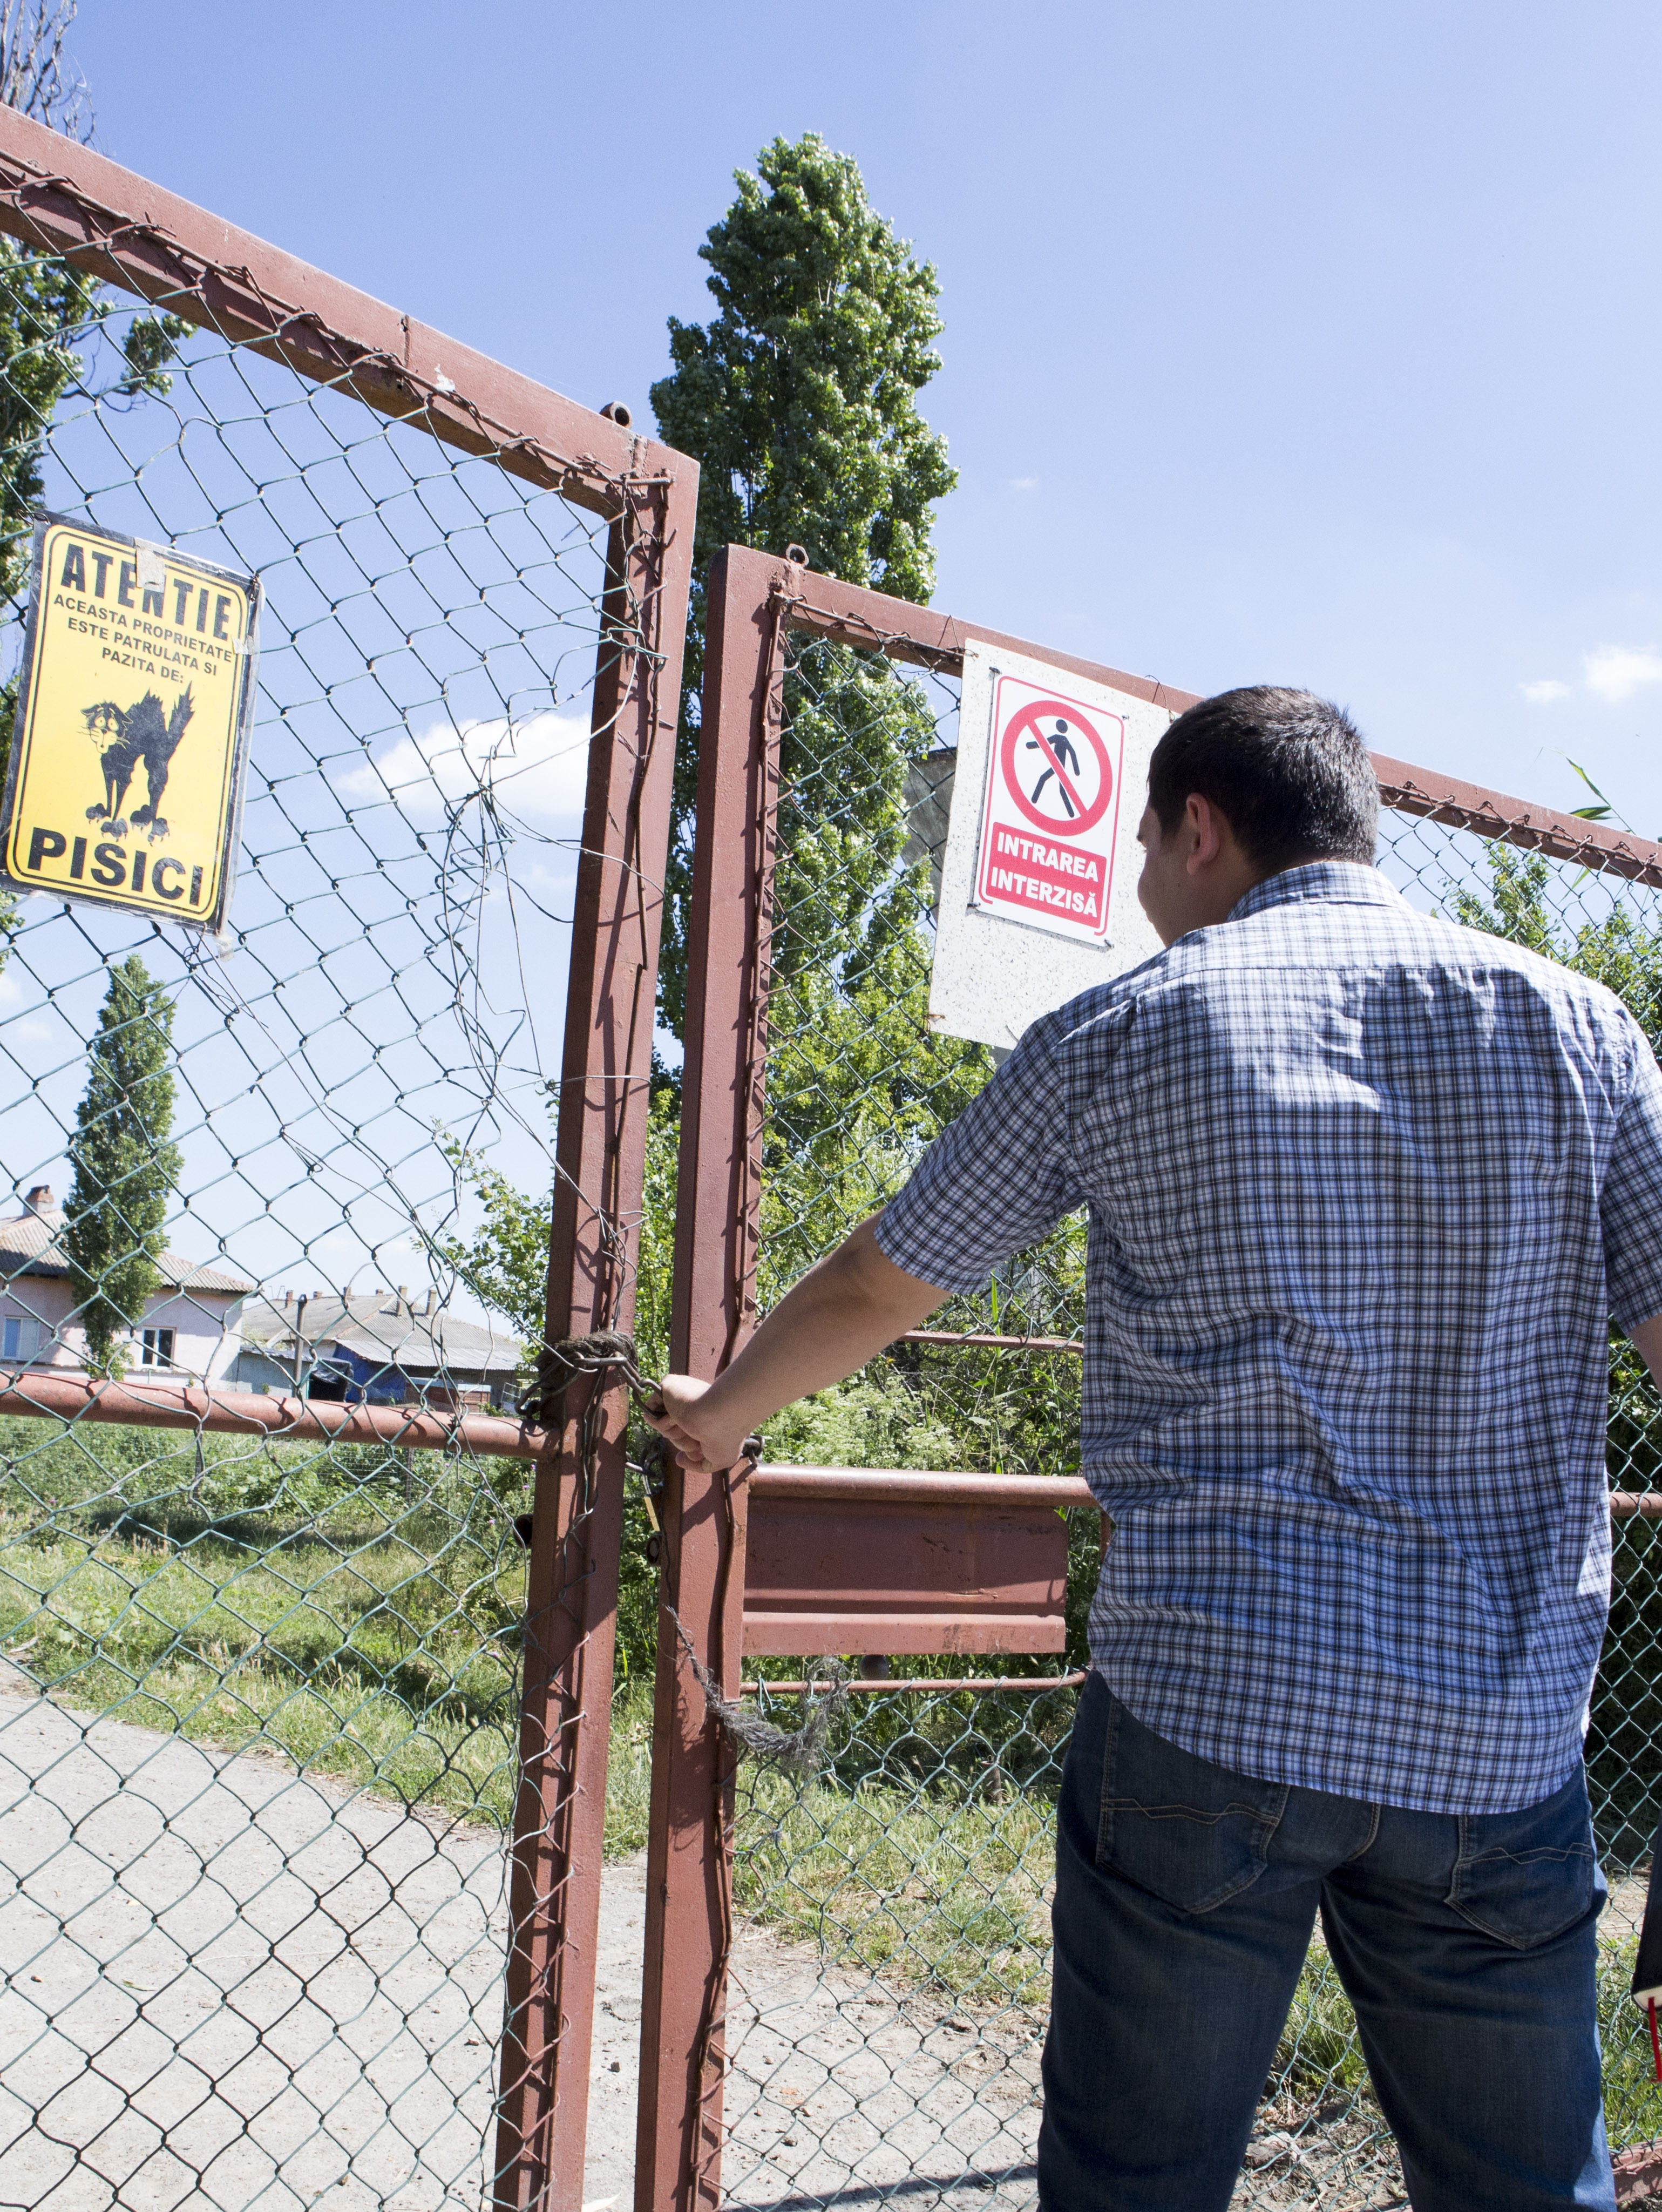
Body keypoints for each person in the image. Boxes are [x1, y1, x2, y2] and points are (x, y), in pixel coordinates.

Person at [647, 685, 1662, 2212]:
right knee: (1530, 2186)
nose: (1135, 888)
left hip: (1211, 1707)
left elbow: (888, 1274)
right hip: (1498, 1736)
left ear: (1203, 827)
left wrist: (720, 1413)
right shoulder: (1579, 1024)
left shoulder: (1131, 1023)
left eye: (1139, 848)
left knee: (1137, 2181)